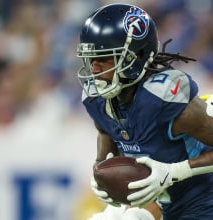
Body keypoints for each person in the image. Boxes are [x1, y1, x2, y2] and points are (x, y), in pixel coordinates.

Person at [77, 3, 213, 220]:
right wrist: (101, 177)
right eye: (91, 59)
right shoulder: (98, 100)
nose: (94, 70)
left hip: (203, 205)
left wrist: (177, 171)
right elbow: (108, 146)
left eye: (104, 59)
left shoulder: (163, 98)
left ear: (136, 55)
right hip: (161, 203)